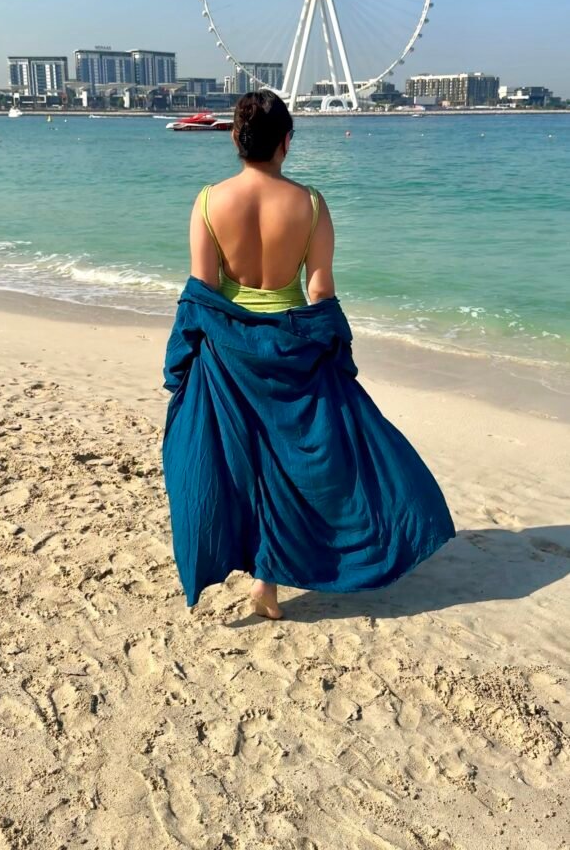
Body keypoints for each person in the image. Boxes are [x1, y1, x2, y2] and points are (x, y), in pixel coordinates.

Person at [163, 91, 455, 619]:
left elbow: (203, 290)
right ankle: (269, 581)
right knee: (295, 461)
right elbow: (320, 291)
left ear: (235, 138)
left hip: (230, 355)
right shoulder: (311, 204)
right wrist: (332, 345)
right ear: (286, 142)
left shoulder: (209, 202)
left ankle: (260, 578)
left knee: (243, 460)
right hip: (294, 349)